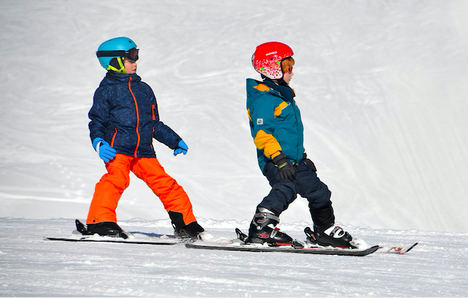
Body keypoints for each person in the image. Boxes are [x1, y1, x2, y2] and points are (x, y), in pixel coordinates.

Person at [83, 36, 204, 239]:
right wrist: (99, 142)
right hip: (118, 149)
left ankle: (186, 224)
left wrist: (174, 140)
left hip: (143, 151)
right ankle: (100, 222)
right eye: (130, 58)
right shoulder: (106, 91)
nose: (135, 63)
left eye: (136, 57)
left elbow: (154, 123)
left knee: (167, 184)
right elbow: (97, 121)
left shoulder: (144, 89)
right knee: (115, 180)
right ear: (114, 61)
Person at [245, 41, 353, 248]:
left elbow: (289, 134)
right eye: (288, 67)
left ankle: (324, 230)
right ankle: (260, 229)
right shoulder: (264, 99)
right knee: (286, 188)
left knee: (319, 191)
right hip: (274, 160)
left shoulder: (282, 95)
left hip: (293, 160)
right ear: (272, 67)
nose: (292, 72)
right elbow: (262, 134)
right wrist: (278, 158)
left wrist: (302, 156)